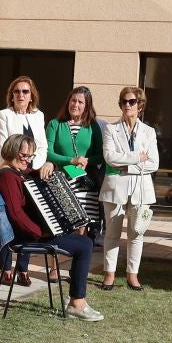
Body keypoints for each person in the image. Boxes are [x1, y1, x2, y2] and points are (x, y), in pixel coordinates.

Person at [0, 134, 104, 321]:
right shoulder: (7, 177)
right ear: (11, 151)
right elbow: (16, 215)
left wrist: (50, 165)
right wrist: (42, 232)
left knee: (81, 239)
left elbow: (32, 174)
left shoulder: (17, 172)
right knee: (84, 245)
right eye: (24, 156)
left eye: (31, 157)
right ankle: (77, 303)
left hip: (30, 233)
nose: (28, 161)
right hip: (24, 236)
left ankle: (77, 299)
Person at [101, 86, 159, 290]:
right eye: (124, 102)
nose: (127, 105)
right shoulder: (110, 129)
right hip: (114, 188)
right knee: (112, 232)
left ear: (140, 105)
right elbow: (109, 157)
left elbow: (153, 163)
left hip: (140, 190)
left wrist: (125, 165)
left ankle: (132, 275)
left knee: (137, 233)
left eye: (132, 102)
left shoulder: (149, 132)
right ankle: (109, 274)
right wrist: (137, 159)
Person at [47, 86, 106, 234]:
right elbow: (47, 153)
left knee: (84, 225)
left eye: (80, 102)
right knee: (67, 223)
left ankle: (82, 251)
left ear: (87, 106)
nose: (76, 105)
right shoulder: (55, 124)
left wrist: (86, 161)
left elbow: (101, 155)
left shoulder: (93, 126)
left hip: (86, 180)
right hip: (62, 178)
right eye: (73, 100)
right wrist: (72, 160)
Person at [0, 76, 50, 176]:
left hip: (34, 170)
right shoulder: (3, 115)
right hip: (11, 171)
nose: (21, 95)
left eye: (25, 91)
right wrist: (19, 167)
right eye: (16, 91)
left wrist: (34, 167)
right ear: (12, 96)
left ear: (31, 96)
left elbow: (42, 146)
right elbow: (2, 149)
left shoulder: (39, 115)